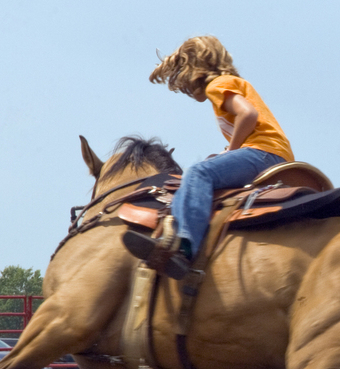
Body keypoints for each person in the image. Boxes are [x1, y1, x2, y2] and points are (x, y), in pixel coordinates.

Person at [122, 36, 294, 277]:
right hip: (275, 154)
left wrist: (232, 150)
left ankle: (184, 247)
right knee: (205, 170)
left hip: (263, 153)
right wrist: (227, 152)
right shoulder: (233, 83)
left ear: (194, 70)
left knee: (198, 172)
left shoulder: (217, 85)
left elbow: (248, 115)